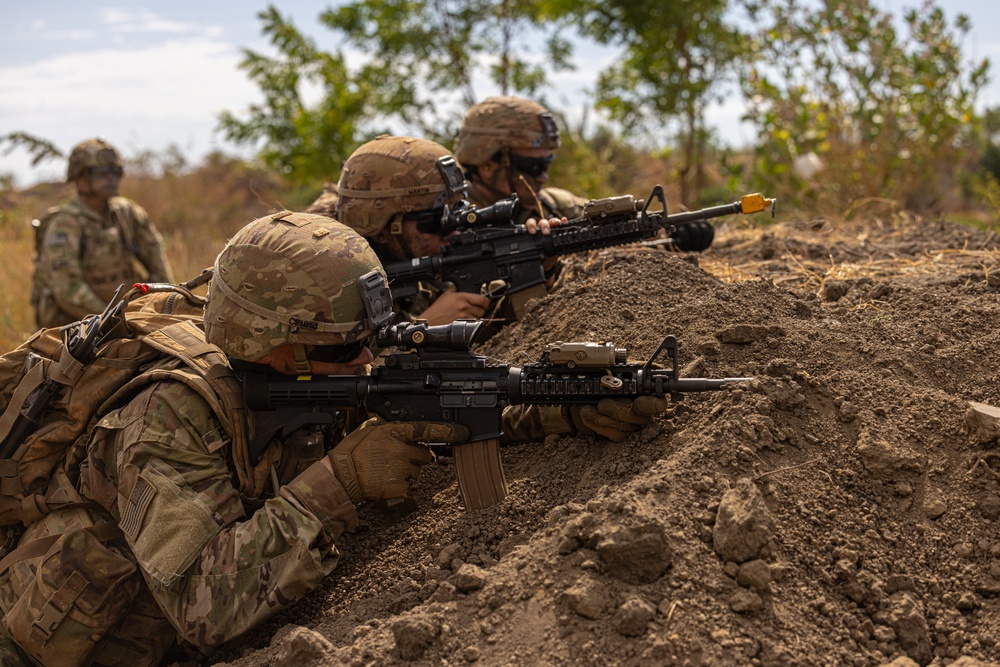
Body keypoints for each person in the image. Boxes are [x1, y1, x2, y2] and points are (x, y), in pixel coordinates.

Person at [0, 211, 666, 665]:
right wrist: (339, 481)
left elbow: (434, 415)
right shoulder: (166, 411)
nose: (368, 362)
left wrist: (562, 409)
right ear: (280, 347)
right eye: (350, 346)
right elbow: (202, 604)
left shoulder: (310, 377)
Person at [333, 135, 560, 326]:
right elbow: (345, 373)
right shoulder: (332, 285)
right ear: (382, 227)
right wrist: (423, 330)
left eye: (459, 209)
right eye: (435, 221)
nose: (453, 229)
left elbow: (491, 324)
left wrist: (541, 267)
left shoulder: (424, 261)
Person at [31, 138, 173, 329]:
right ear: (80, 178)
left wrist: (163, 306)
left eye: (116, 172)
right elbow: (67, 290)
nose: (111, 179)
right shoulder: (65, 224)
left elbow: (158, 266)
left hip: (128, 319)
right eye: (102, 173)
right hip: (76, 329)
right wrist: (112, 320)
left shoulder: (128, 214)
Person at [453, 96, 589, 225]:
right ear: (487, 166)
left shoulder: (557, 207)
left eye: (546, 165)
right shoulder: (448, 226)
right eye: (532, 167)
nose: (543, 178)